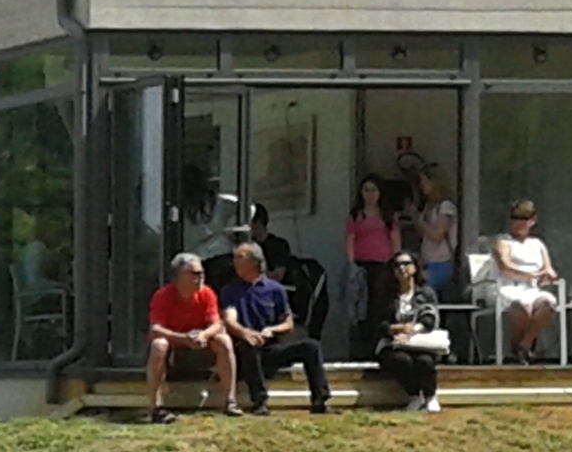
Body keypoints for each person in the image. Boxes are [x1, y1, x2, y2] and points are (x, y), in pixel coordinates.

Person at [218, 240, 332, 415]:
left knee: (311, 347)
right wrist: (246, 333)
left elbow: (288, 323)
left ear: (254, 262)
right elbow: (229, 319)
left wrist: (272, 330)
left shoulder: (275, 289)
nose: (235, 261)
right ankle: (259, 401)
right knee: (249, 346)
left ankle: (320, 400)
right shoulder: (230, 290)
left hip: (270, 347)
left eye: (240, 257)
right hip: (244, 351)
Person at [144, 252, 237, 422]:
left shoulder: (207, 293)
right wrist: (183, 338)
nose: (201, 277)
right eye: (195, 273)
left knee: (224, 340)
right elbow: (155, 328)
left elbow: (217, 323)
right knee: (158, 345)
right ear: (178, 276)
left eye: (202, 272)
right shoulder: (163, 295)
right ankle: (155, 406)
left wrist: (203, 335)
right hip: (174, 346)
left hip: (200, 346)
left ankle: (230, 401)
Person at [371, 251, 447, 412]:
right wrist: (398, 329)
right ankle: (414, 396)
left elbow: (430, 317)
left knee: (425, 361)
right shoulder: (386, 295)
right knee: (402, 360)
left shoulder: (426, 293)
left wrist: (414, 330)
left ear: (415, 267)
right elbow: (378, 323)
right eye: (397, 265)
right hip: (393, 343)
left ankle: (430, 397)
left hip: (421, 341)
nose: (402, 268)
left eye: (406, 264)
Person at [491, 201, 561, 364]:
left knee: (548, 303)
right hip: (507, 287)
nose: (518, 222)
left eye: (523, 218)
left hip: (532, 289)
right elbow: (505, 267)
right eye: (515, 218)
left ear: (532, 220)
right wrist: (532, 274)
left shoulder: (537, 244)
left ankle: (524, 344)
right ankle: (520, 347)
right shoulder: (503, 242)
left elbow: (549, 269)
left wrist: (549, 275)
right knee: (523, 306)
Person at [345, 175, 401, 359]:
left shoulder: (388, 216)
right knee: (361, 308)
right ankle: (362, 349)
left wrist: (396, 264)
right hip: (362, 267)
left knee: (380, 306)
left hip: (384, 266)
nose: (370, 194)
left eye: (374, 190)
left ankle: (379, 347)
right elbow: (350, 241)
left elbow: (395, 241)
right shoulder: (355, 215)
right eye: (366, 190)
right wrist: (351, 266)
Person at [415, 170, 462, 298]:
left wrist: (421, 222)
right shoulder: (429, 206)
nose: (422, 185)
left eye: (424, 181)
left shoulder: (446, 207)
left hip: (442, 263)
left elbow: (437, 236)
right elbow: (423, 235)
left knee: (424, 291)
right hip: (427, 261)